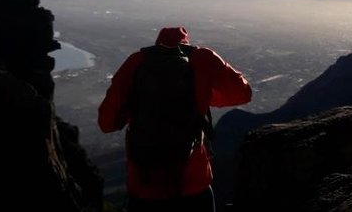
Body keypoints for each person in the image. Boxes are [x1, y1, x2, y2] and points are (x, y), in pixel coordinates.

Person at [98, 26, 252, 212]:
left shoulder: (136, 62)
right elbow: (243, 93)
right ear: (185, 42)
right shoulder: (202, 57)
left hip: (144, 187)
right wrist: (203, 95)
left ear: (157, 44)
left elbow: (106, 123)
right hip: (194, 185)